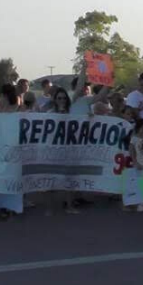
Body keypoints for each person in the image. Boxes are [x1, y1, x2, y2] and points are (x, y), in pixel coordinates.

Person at [45, 86, 79, 216]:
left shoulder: (72, 113)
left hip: (69, 150)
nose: (62, 100)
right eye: (59, 98)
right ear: (55, 100)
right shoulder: (49, 113)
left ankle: (69, 206)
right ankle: (49, 207)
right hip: (53, 150)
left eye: (64, 98)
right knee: (49, 180)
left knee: (69, 178)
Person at [0, 84, 24, 221]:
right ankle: (1, 207)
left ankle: (12, 207)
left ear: (5, 95)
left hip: (14, 148)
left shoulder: (19, 109)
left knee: (12, 177)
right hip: (0, 148)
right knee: (0, 178)